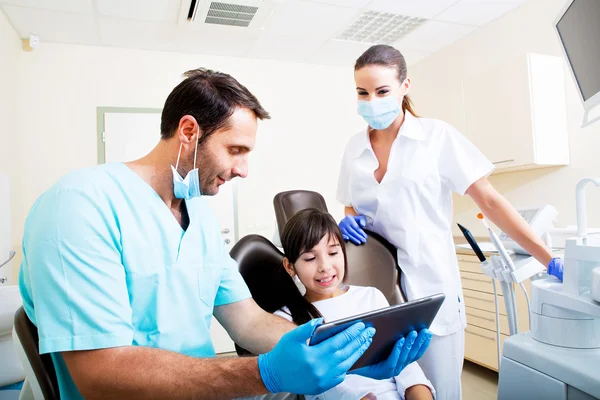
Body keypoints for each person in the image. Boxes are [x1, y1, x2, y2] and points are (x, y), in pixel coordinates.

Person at [19, 68, 427, 399]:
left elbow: (249, 322)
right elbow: (99, 374)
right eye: (236, 151)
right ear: (189, 131)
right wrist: (264, 374)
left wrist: (352, 355)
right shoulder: (78, 206)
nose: (244, 170)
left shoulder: (197, 216)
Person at [336, 45, 564, 400]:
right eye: (362, 92)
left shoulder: (436, 137)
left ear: (404, 86)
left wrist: (547, 258)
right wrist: (348, 220)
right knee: (387, 391)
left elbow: (489, 200)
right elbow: (351, 203)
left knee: (439, 392)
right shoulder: (354, 147)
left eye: (382, 91)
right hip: (376, 294)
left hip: (431, 288)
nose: (371, 100)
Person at [275, 208, 435, 400]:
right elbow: (320, 383)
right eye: (310, 258)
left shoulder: (371, 297)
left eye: (333, 252)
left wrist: (418, 390)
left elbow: (404, 367)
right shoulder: (285, 320)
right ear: (290, 266)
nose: (325, 266)